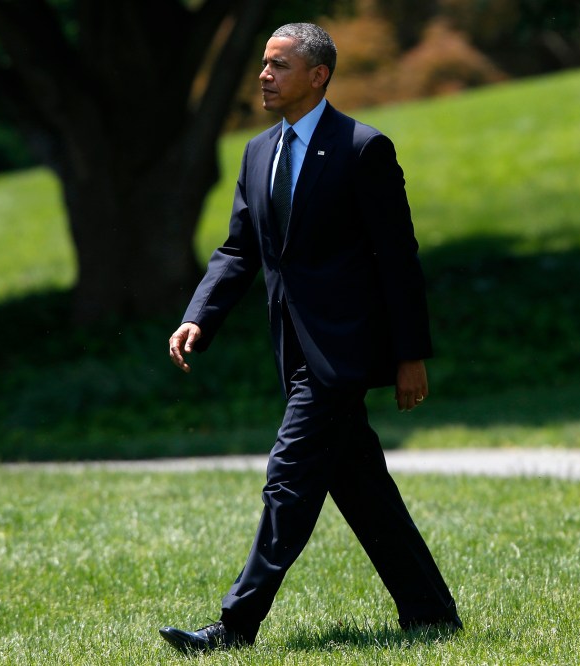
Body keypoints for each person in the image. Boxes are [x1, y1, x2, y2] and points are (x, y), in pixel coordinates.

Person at [160, 22, 461, 653]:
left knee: (288, 478)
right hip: (292, 348)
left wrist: (410, 355)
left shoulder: (362, 149)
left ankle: (234, 627)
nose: (263, 76)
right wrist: (199, 315)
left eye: (279, 65)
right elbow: (240, 249)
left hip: (344, 351)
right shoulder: (256, 152)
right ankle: (431, 614)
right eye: (264, 65)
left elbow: (396, 260)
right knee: (361, 486)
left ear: (317, 76)